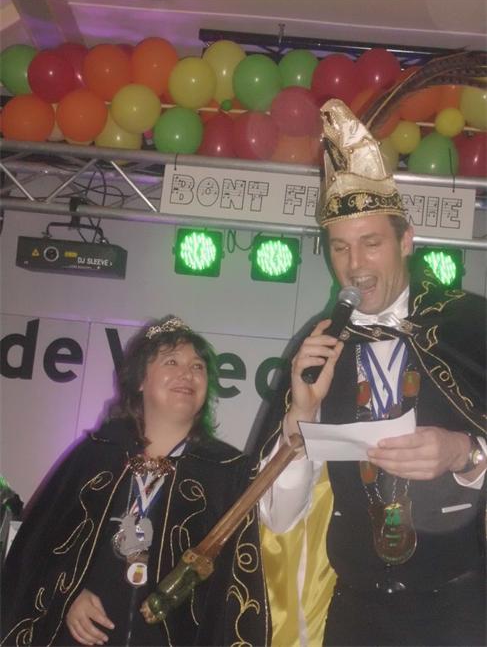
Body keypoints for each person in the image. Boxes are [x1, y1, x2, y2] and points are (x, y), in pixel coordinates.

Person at [258, 99, 486, 647]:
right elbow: (279, 516)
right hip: (356, 613)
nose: (355, 266)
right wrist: (301, 415)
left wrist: (466, 455)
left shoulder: (470, 326)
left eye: (371, 243)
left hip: (460, 610)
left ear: (406, 241)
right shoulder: (320, 345)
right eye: (340, 247)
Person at [1, 315, 271, 646]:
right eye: (171, 361)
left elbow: (238, 579)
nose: (187, 373)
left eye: (198, 367)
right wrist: (68, 594)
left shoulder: (226, 472)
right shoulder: (95, 455)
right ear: (140, 379)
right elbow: (38, 548)